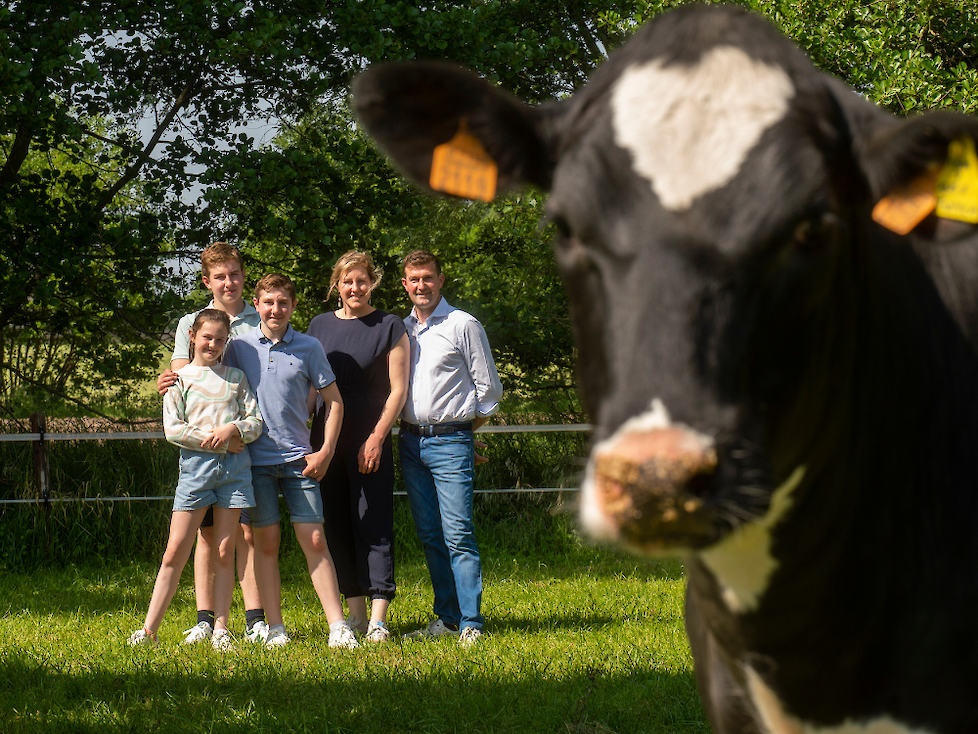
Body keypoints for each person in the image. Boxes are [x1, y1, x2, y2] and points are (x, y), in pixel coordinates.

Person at [222, 272, 359, 649]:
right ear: (257, 305)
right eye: (268, 302)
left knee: (315, 539)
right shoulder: (240, 347)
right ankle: (276, 627)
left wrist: (326, 450)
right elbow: (217, 390)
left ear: (293, 306)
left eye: (283, 302)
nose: (275, 309)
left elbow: (334, 402)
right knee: (265, 543)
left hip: (300, 461)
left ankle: (338, 626)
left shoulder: (310, 347)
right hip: (255, 464)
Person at [129, 309, 262, 648]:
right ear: (193, 337)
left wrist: (233, 429)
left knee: (223, 550)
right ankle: (148, 631)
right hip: (196, 472)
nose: (213, 344)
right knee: (175, 550)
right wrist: (217, 440)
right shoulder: (180, 380)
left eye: (220, 339)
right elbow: (173, 429)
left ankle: (221, 630)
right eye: (207, 337)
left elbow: (254, 421)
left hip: (235, 475)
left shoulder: (235, 378)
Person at [157, 242, 267, 645]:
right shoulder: (193, 320)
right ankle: (206, 619)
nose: (228, 282)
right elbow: (181, 376)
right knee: (209, 536)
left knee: (249, 533)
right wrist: (166, 382)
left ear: (243, 276)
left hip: (251, 434)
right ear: (207, 281)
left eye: (234, 274)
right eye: (219, 276)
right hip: (209, 446)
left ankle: (254, 617)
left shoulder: (260, 318)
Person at [398, 250, 503, 647]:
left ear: (441, 280)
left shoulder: (463, 325)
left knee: (458, 533)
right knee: (428, 533)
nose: (421, 285)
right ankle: (448, 617)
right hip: (409, 442)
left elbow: (489, 392)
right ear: (405, 285)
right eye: (414, 279)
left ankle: (471, 623)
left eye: (428, 277)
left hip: (450, 441)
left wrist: (463, 432)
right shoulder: (401, 329)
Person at [306, 251, 409, 643]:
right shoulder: (318, 326)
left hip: (370, 436)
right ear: (337, 285)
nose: (355, 288)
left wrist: (378, 437)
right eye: (348, 281)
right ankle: (356, 616)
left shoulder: (389, 325)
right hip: (327, 439)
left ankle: (380, 617)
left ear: (373, 283)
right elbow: (311, 388)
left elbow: (398, 389)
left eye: (362, 281)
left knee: (373, 522)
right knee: (336, 525)